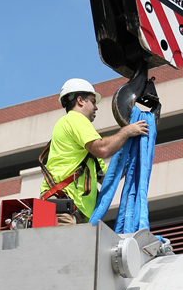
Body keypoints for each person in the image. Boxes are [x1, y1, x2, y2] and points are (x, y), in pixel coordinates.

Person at [39, 79, 148, 225]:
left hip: (72, 210)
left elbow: (106, 178)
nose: (96, 107)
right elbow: (102, 149)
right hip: (61, 205)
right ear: (80, 101)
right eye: (92, 101)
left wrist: (133, 159)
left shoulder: (83, 146)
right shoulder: (75, 119)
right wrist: (127, 132)